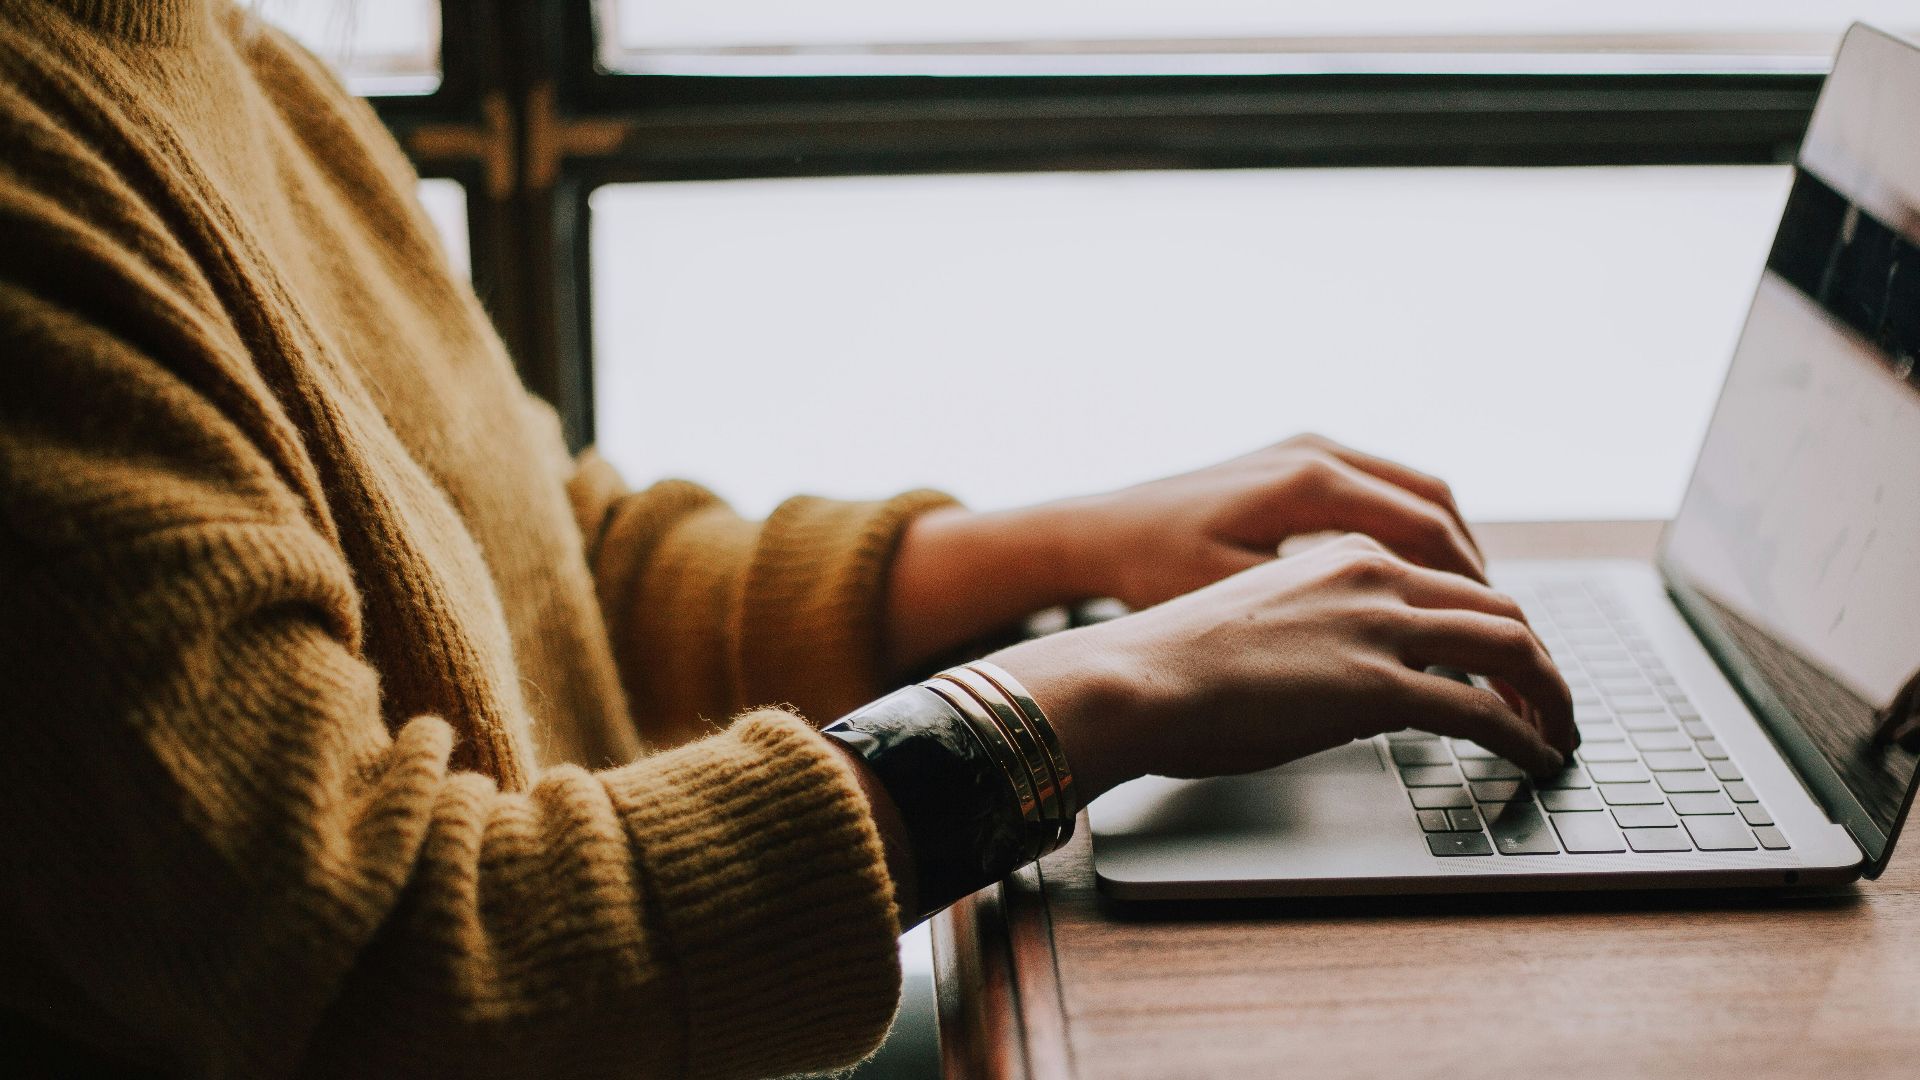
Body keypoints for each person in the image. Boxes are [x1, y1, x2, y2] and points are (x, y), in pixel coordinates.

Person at [0, 2, 1575, 1077]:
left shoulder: (224, 56)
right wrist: (1090, 697)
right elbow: (392, 975)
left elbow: (561, 570)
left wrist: (1066, 549)